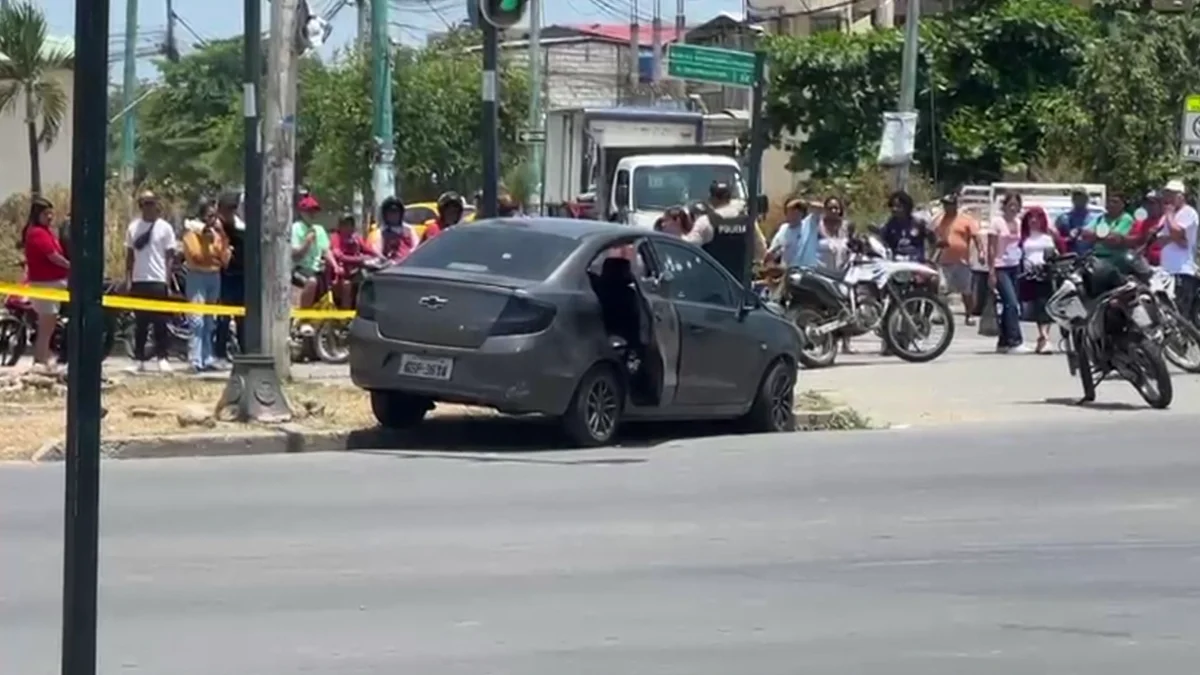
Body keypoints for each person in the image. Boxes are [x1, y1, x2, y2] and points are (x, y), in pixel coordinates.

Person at [124, 190, 178, 372]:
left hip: (158, 279)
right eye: (144, 203)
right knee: (141, 323)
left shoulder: (165, 228)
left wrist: (167, 281)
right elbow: (129, 255)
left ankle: (162, 357)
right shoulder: (133, 227)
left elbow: (169, 257)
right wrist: (128, 279)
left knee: (160, 321)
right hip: (139, 279)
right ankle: (139, 359)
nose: (148, 206)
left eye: (151, 202)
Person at [19, 196, 69, 372]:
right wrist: (72, 266)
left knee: (50, 324)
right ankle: (40, 359)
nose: (49, 217)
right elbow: (52, 256)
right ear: (37, 215)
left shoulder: (46, 232)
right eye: (46, 214)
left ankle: (43, 356)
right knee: (46, 325)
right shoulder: (36, 233)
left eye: (51, 213)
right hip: (45, 284)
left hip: (54, 284)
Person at [180, 202, 230, 372]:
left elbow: (224, 258)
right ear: (202, 216)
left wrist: (221, 236)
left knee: (209, 321)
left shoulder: (217, 233)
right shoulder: (191, 233)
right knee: (197, 320)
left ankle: (207, 358)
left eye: (214, 216)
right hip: (197, 277)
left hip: (214, 277)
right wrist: (208, 244)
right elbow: (196, 256)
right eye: (209, 215)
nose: (212, 219)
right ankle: (195, 360)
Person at [988, 191, 1027, 354]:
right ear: (1004, 206)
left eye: (1015, 205)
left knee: (1008, 304)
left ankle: (1003, 341)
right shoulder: (997, 222)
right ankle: (1014, 340)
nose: (1013, 208)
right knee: (1011, 303)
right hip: (1000, 267)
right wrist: (991, 271)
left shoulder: (1019, 222)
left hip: (1015, 266)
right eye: (1010, 205)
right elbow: (991, 248)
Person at [932, 193, 980, 325]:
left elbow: (976, 237)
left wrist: (981, 252)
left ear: (955, 205)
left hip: (962, 261)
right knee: (942, 288)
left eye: (949, 204)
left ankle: (969, 315)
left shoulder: (966, 220)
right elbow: (933, 237)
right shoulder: (939, 220)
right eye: (945, 205)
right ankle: (942, 314)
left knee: (966, 290)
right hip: (944, 260)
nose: (946, 207)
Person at [1019, 207, 1060, 354]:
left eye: (1037, 217)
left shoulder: (1049, 236)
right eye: (1031, 218)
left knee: (1045, 304)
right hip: (1029, 274)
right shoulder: (1023, 237)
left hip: (1046, 273)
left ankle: (1045, 337)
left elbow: (1059, 250)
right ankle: (1042, 337)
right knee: (1035, 306)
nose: (1034, 220)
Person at [213, 192, 245, 365]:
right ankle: (219, 353)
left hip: (241, 276)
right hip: (225, 277)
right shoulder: (217, 225)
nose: (231, 211)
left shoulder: (240, 225)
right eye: (228, 208)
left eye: (233, 208)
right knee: (223, 319)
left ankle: (245, 352)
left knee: (242, 319)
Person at [1161, 179, 1199, 321]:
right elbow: (1162, 238)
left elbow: (1177, 233)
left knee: (1180, 315)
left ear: (1180, 196)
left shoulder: (1188, 213)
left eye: (1171, 195)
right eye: (1166, 194)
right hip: (1166, 271)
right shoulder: (1170, 215)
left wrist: (1170, 215)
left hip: (1182, 271)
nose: (1167, 198)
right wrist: (1174, 238)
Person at [290, 194, 331, 313]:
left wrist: (335, 266)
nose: (313, 214)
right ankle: (303, 316)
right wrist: (307, 242)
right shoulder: (296, 228)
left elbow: (326, 251)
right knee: (312, 282)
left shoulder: (319, 229)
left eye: (314, 211)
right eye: (309, 211)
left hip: (317, 269)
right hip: (300, 268)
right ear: (302, 212)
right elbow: (295, 256)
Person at [328, 213, 378, 308]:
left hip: (357, 271)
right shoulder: (336, 237)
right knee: (347, 285)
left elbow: (367, 250)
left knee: (369, 282)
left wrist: (379, 256)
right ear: (340, 226)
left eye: (350, 224)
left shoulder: (356, 238)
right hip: (341, 273)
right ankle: (345, 313)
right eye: (345, 225)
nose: (348, 227)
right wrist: (360, 259)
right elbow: (340, 256)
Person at [1082, 193, 1136, 267]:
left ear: (1122, 205)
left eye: (1115, 202)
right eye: (1109, 201)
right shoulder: (1101, 218)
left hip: (1116, 260)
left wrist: (1095, 236)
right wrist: (1104, 236)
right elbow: (1085, 234)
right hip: (1097, 257)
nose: (1111, 204)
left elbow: (1114, 239)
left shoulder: (1126, 219)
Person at [880, 190, 935, 262]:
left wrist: (930, 258)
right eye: (892, 206)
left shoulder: (919, 223)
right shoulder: (888, 227)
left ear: (907, 207)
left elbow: (933, 241)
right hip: (897, 265)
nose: (894, 209)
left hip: (916, 264)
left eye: (898, 206)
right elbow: (883, 246)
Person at [766, 198, 819, 270]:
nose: (793, 216)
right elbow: (773, 251)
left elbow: (821, 209)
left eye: (796, 213)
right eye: (790, 213)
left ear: (802, 214)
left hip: (807, 270)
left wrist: (806, 203)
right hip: (789, 270)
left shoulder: (809, 224)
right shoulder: (783, 229)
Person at [1055, 186, 1097, 256]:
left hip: (1091, 257)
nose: (1079, 200)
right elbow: (1056, 239)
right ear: (1072, 200)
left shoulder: (1096, 218)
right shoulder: (1063, 218)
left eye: (1082, 198)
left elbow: (1102, 238)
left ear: (1087, 199)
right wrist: (1069, 238)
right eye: (1076, 198)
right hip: (1069, 258)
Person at [1131, 190, 1168, 267]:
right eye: (1147, 203)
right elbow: (1133, 242)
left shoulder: (1169, 222)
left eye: (1152, 203)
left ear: (1161, 205)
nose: (1149, 206)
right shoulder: (1139, 223)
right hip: (1144, 264)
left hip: (1164, 264)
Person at [378, 196, 419, 262]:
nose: (393, 215)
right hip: (390, 264)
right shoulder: (381, 232)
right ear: (385, 214)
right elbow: (378, 251)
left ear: (401, 213)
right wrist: (386, 261)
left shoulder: (409, 229)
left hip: (409, 262)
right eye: (390, 212)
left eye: (396, 212)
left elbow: (417, 246)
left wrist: (410, 255)